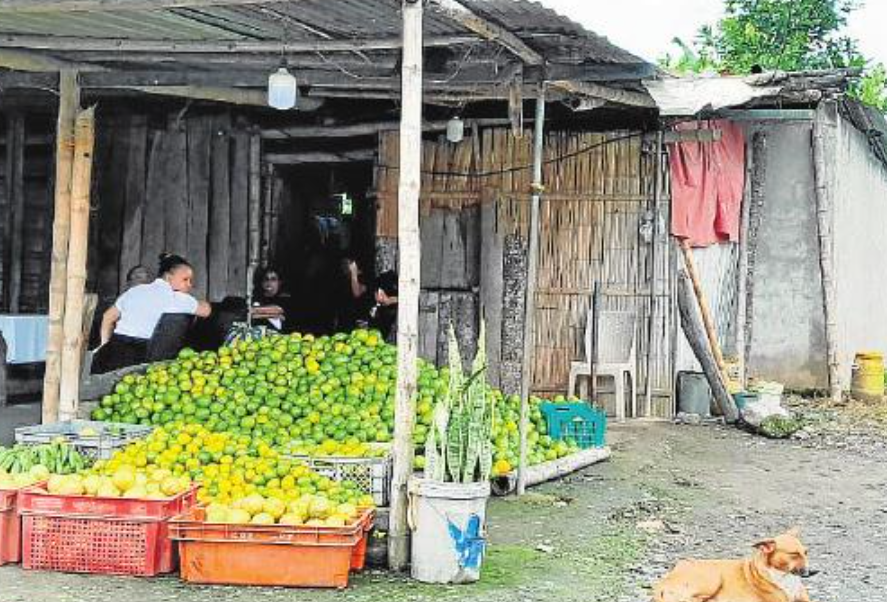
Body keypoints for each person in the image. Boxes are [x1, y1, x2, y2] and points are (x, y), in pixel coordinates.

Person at [92, 253, 211, 374]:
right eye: (185, 280)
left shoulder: (134, 291)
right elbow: (206, 310)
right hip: (140, 356)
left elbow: (107, 317)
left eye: (190, 281)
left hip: (113, 351)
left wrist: (104, 343)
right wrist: (192, 296)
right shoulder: (177, 298)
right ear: (169, 277)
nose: (189, 285)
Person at [249, 266, 292, 333]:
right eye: (266, 279)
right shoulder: (256, 299)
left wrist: (255, 311)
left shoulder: (285, 299)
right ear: (262, 283)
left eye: (273, 279)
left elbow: (280, 311)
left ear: (279, 283)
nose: (269, 282)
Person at [370, 269, 398, 342]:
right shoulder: (378, 282)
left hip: (397, 318)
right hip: (383, 320)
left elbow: (410, 296)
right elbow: (378, 297)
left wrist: (391, 300)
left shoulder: (401, 281)